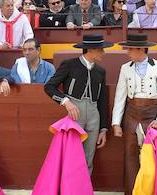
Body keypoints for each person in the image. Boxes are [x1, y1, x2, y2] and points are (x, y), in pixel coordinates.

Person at [110, 33, 157, 195]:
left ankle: (153, 193)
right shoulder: (125, 68)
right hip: (132, 113)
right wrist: (116, 122)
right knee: (130, 153)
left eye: (129, 49)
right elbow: (120, 96)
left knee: (152, 155)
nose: (127, 52)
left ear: (140, 49)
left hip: (152, 113)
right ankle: (133, 194)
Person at [43, 34, 111, 173]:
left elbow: (103, 101)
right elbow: (49, 87)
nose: (103, 53)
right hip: (75, 115)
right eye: (100, 49)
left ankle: (83, 193)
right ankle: (69, 193)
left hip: (94, 116)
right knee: (71, 158)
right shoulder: (70, 65)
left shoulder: (100, 71)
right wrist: (66, 101)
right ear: (90, 50)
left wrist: (103, 128)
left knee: (88, 159)